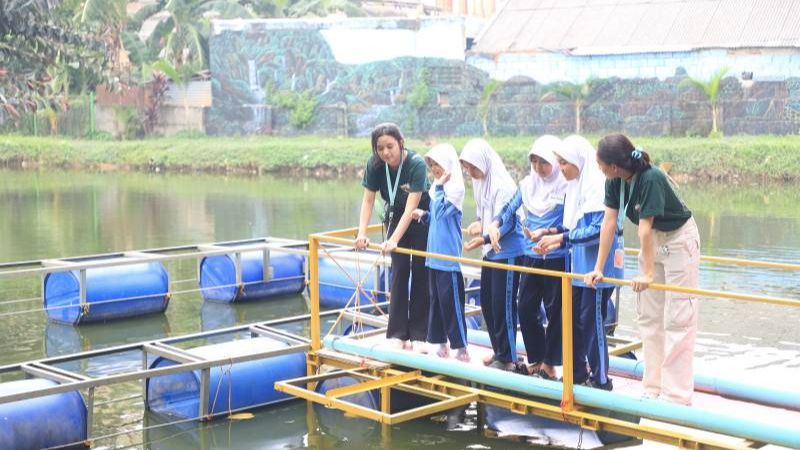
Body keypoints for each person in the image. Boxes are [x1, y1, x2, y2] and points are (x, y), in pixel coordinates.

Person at [586, 133, 700, 405]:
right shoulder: (613, 181)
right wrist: (598, 268)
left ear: (614, 165)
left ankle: (677, 395)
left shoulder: (651, 178)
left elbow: (645, 229)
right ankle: (653, 386)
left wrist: (647, 274)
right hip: (654, 243)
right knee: (649, 318)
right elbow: (609, 223)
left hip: (677, 239)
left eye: (600, 163)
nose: (599, 167)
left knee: (678, 318)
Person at [534, 135, 623, 390]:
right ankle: (576, 373)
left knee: (591, 321)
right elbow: (572, 226)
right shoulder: (575, 187)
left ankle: (601, 380)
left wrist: (562, 238)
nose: (561, 169)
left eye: (564, 163)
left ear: (578, 161)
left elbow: (599, 229)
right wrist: (550, 234)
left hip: (598, 268)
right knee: (572, 318)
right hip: (578, 268)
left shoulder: (596, 185)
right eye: (559, 163)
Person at [488, 135, 568, 379]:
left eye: (543, 163)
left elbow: (571, 222)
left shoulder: (566, 186)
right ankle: (536, 358)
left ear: (555, 163)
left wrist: (551, 236)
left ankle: (550, 365)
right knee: (525, 307)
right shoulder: (527, 185)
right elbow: (509, 209)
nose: (538, 168)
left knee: (556, 311)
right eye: (534, 162)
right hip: (532, 256)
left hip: (557, 256)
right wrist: (495, 223)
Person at [355, 123, 430, 351]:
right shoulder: (375, 164)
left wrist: (394, 240)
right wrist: (362, 233)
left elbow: (411, 208)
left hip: (419, 216)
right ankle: (397, 333)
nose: (386, 152)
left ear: (400, 142)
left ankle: (419, 333)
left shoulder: (415, 164)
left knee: (420, 272)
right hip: (394, 215)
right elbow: (368, 200)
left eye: (390, 146)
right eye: (380, 148)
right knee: (398, 272)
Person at [460, 138, 526, 371]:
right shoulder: (480, 181)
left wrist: (486, 237)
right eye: (467, 168)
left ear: (484, 163)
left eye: (473, 167)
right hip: (490, 251)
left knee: (504, 304)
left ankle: (508, 358)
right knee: (488, 302)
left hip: (508, 251)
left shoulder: (503, 184)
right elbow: (484, 214)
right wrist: (479, 225)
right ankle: (498, 350)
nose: (470, 172)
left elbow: (507, 222)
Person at [412, 144, 470, 362]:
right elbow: (435, 217)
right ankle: (440, 343)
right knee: (435, 301)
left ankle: (461, 347)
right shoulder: (438, 189)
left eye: (438, 164)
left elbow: (443, 211)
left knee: (451, 302)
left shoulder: (455, 190)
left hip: (448, 257)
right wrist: (424, 215)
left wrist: (437, 189)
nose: (435, 169)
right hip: (433, 255)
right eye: (432, 165)